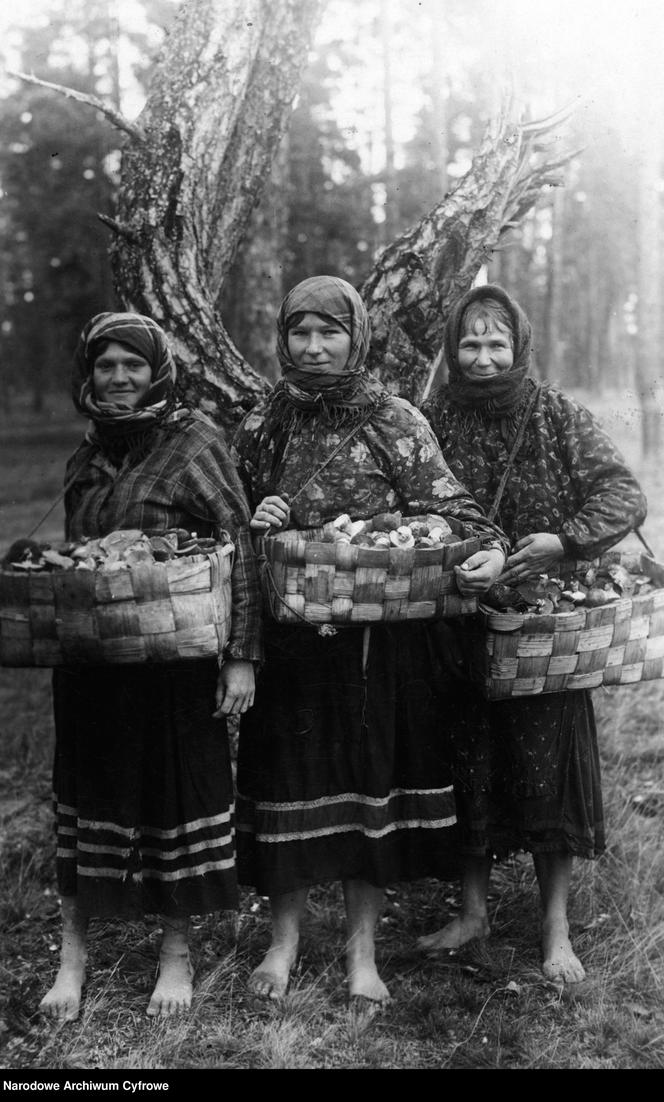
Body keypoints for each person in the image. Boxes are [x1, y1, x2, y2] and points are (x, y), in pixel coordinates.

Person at [231, 275, 509, 1004]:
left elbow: (458, 513)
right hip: (294, 641)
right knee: (288, 783)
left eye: (331, 332)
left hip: (376, 645)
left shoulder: (396, 420)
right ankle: (282, 944)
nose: (315, 347)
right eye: (301, 332)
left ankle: (362, 955)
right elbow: (233, 533)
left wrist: (478, 548)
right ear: (283, 337)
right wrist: (261, 519)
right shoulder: (263, 424)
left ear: (358, 337)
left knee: (369, 789)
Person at [419, 283, 647, 982]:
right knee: (467, 762)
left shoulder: (557, 416)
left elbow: (623, 492)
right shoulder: (430, 419)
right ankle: (472, 910)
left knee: (549, 769)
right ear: (453, 350)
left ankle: (556, 929)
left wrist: (564, 540)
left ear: (518, 346)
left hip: (546, 629)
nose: (483, 358)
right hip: (460, 620)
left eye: (496, 344)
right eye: (470, 343)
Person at [39, 312, 262, 1022]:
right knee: (87, 795)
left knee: (175, 800)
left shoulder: (193, 443)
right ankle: (72, 956)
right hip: (95, 666)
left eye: (132, 365)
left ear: (159, 370)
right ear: (88, 376)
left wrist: (241, 660)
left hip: (173, 663)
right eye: (105, 366)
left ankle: (176, 952)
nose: (118, 379)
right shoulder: (88, 456)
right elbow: (78, 561)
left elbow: (241, 551)